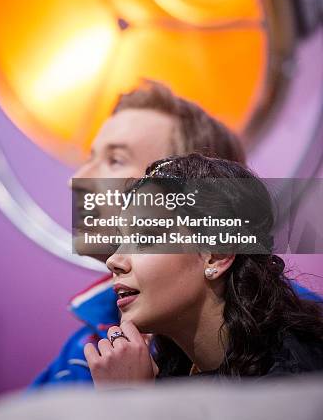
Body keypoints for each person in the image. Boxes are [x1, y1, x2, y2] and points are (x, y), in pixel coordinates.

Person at [31, 81, 319, 387]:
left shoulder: (301, 342)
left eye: (115, 159)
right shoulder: (85, 344)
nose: (78, 181)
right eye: (89, 157)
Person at [85, 154, 323, 385]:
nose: (113, 260)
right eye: (121, 241)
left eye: (145, 236)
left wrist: (130, 404)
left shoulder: (295, 383)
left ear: (216, 257)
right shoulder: (169, 367)